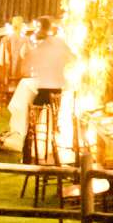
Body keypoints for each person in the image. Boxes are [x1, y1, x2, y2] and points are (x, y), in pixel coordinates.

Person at [5, 19, 70, 151]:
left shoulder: (39, 47)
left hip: (44, 88)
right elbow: (71, 57)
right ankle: (53, 142)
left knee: (34, 118)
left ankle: (30, 145)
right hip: (57, 89)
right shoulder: (58, 43)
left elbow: (25, 68)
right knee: (54, 117)